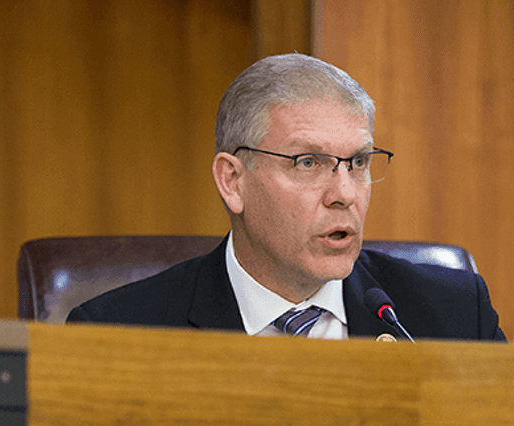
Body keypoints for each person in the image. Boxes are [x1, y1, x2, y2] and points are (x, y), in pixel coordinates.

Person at [67, 53, 505, 341]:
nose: (344, 194)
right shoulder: (121, 330)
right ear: (233, 181)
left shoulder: (456, 316)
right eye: (308, 163)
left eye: (358, 162)